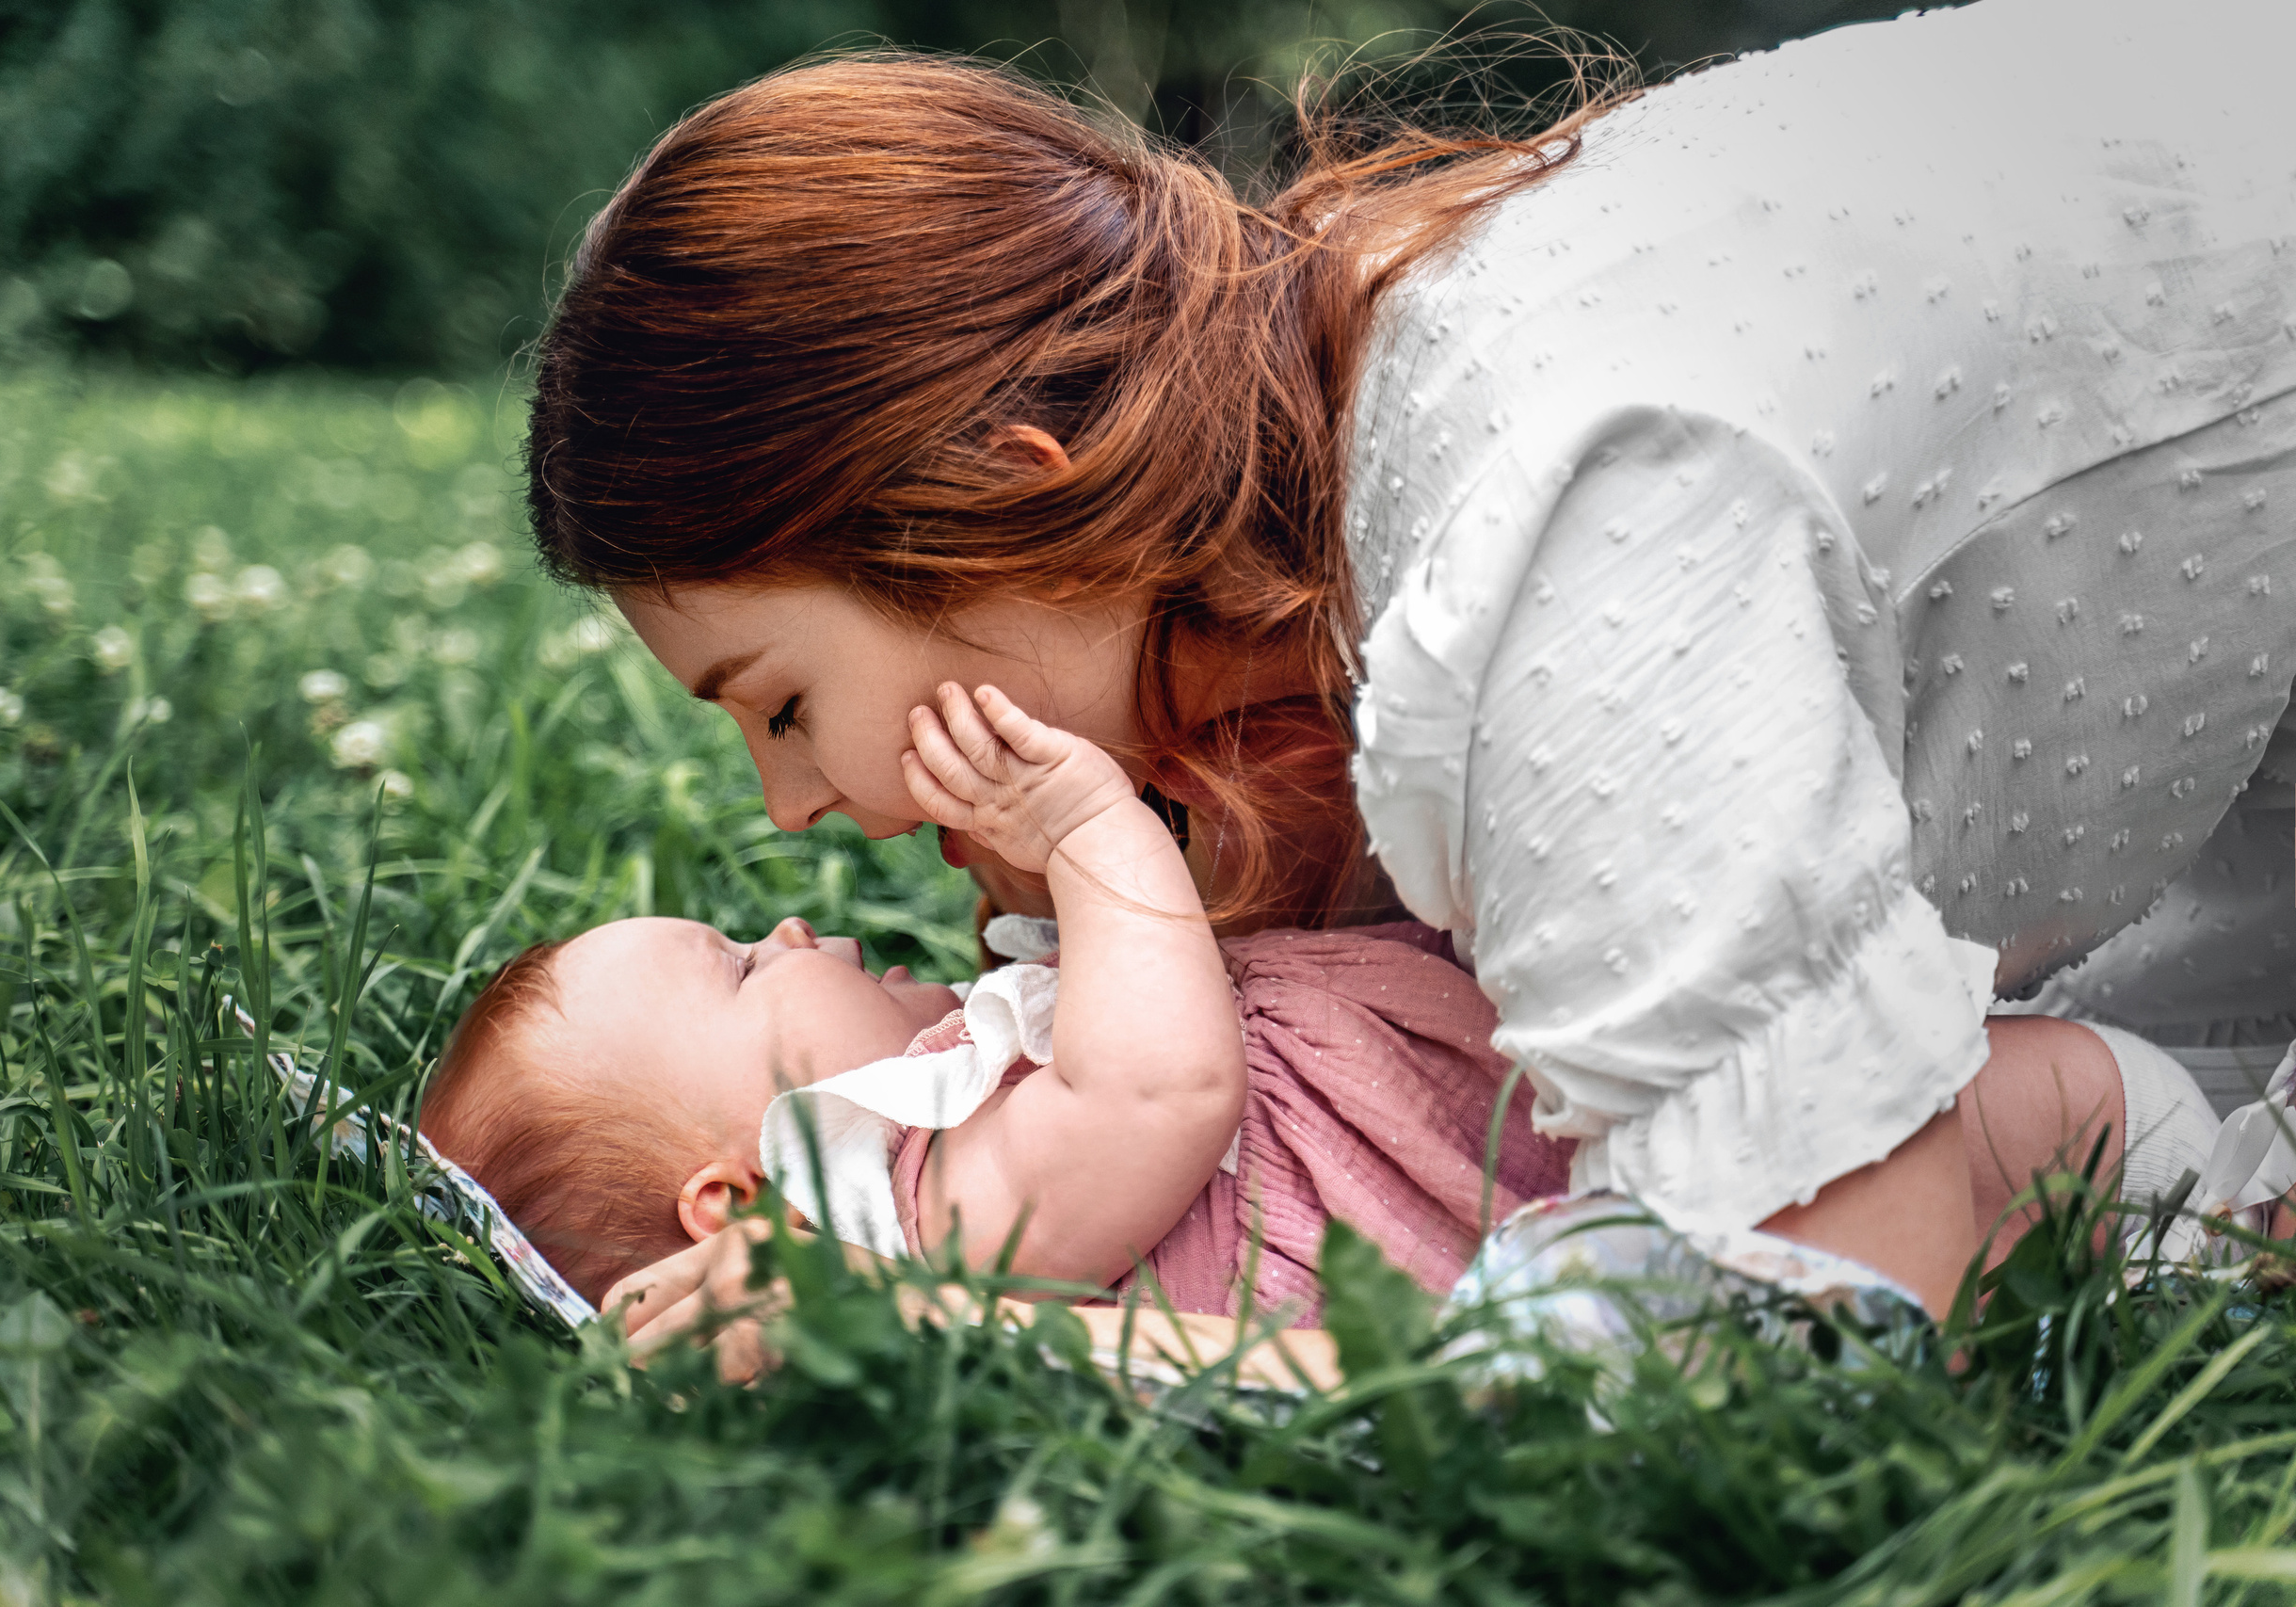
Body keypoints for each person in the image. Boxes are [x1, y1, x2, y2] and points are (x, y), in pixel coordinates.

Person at [522, 0, 2296, 1316]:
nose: (794, 810)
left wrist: (958, 1338)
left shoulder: (1559, 528)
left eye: (782, 703)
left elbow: (1828, 1325)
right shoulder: (1340, 551)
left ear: (1003, 491)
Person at [419, 683, 1572, 1313]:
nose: (782, 930)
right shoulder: (935, 1216)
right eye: (738, 966)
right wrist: (1086, 834)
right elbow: (1161, 1087)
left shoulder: (969, 1125)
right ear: (735, 1202)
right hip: (1492, 1201)